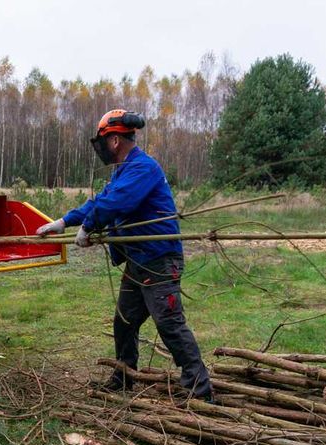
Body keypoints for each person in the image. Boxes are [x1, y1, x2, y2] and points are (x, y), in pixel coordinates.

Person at [36, 109, 213, 401]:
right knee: (124, 320)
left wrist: (90, 227)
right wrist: (65, 222)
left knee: (169, 323)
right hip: (138, 260)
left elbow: (116, 203)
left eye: (104, 141)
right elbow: (101, 201)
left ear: (115, 140)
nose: (102, 148)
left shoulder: (143, 168)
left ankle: (200, 390)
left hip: (158, 260)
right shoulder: (125, 170)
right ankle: (123, 377)